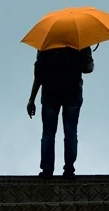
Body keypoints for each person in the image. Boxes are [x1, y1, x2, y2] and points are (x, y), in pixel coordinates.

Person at [27, 45, 94, 178]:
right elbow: (88, 68)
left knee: (48, 133)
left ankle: (47, 170)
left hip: (50, 93)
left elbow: (38, 73)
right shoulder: (80, 41)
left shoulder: (47, 42)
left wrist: (32, 99)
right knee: (70, 132)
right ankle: (69, 170)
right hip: (73, 92)